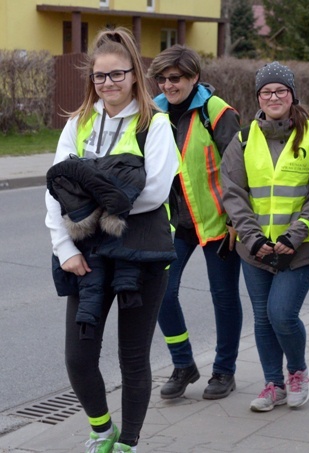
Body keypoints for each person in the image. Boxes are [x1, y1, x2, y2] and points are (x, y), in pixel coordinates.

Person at [44, 26, 179, 453]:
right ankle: (102, 430)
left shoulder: (154, 123)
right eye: (100, 77)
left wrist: (86, 198)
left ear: (134, 74)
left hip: (139, 254)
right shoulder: (77, 124)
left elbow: (156, 190)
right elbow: (56, 190)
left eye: (117, 75)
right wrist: (64, 248)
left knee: (133, 357)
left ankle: (130, 444)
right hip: (85, 254)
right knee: (79, 357)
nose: (108, 84)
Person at [221, 61, 309, 412]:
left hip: (300, 247)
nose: (274, 97)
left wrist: (295, 235)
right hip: (255, 247)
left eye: (281, 91)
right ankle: (273, 383)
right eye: (266, 91)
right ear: (258, 97)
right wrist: (253, 238)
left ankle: (298, 371)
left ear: (292, 96)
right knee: (261, 317)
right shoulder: (242, 139)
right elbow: (233, 193)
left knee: (282, 314)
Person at [147, 45, 243, 401]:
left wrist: (237, 220)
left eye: (176, 78)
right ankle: (183, 363)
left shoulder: (217, 113)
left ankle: (224, 371)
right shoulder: (153, 113)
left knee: (224, 298)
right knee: (160, 293)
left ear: (194, 78)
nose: (168, 85)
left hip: (219, 223)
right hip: (174, 225)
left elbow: (238, 170)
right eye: (162, 79)